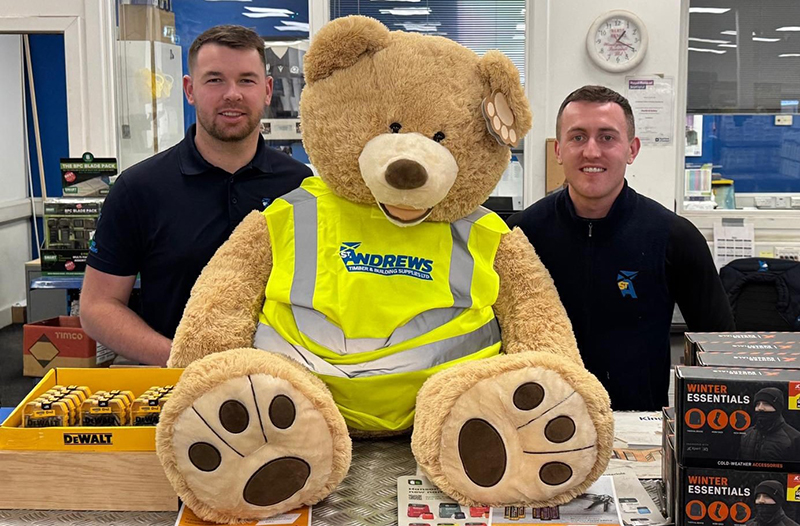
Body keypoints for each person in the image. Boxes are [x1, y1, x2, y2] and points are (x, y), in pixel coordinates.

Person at [81, 25, 312, 366]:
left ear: (267, 90)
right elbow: (97, 307)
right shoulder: (139, 188)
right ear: (190, 90)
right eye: (215, 79)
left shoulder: (300, 186)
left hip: (282, 386)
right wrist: (181, 362)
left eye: (246, 80)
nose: (232, 94)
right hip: (177, 383)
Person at [507, 85, 734, 411]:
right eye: (578, 137)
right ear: (559, 150)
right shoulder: (523, 233)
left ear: (632, 149)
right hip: (540, 421)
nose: (592, 151)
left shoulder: (674, 237)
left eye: (607, 137)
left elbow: (719, 347)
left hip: (638, 428)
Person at [740, 387, 800, 461]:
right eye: (757, 404)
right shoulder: (747, 434)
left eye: (766, 404)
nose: (760, 408)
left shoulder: (794, 438)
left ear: (777, 407)